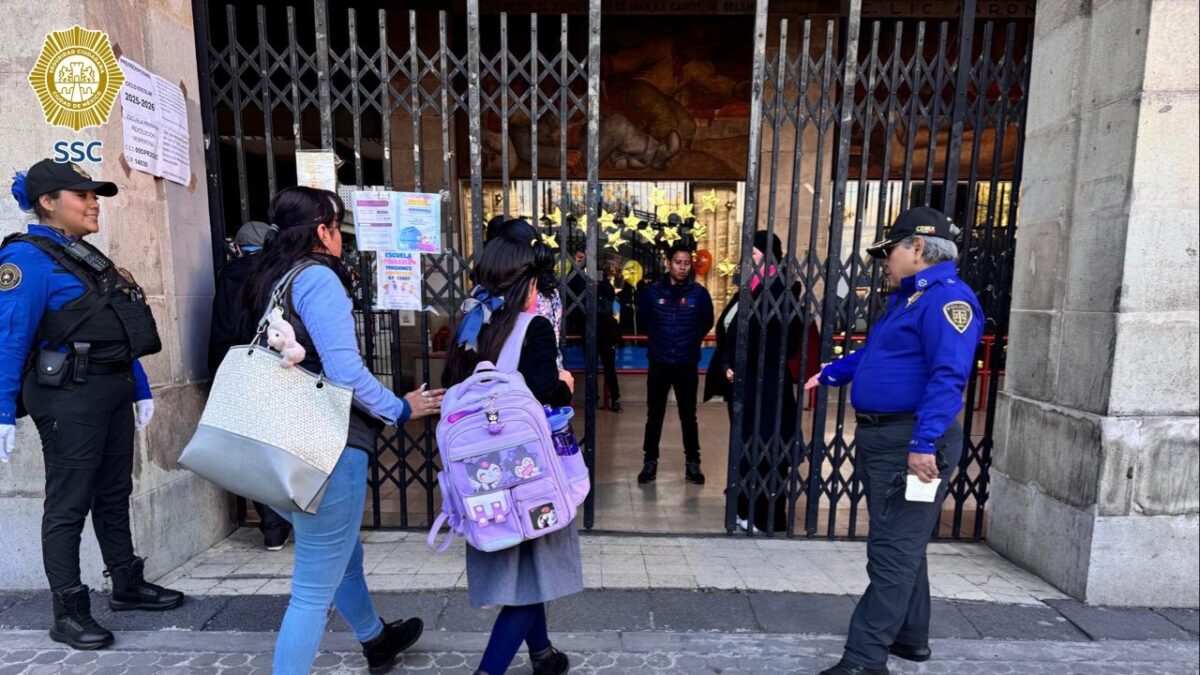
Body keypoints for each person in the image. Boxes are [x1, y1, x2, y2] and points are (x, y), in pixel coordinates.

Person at [243, 186, 444, 674]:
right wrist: (399, 407)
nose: (342, 239)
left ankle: (376, 639)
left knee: (340, 552)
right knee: (312, 587)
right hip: (323, 445)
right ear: (322, 231)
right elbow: (346, 372)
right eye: (338, 228)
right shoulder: (317, 279)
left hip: (275, 445)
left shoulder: (274, 278)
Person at [0, 159, 182, 651]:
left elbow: (117, 327)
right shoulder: (28, 258)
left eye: (94, 194)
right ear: (47, 202)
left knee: (112, 491)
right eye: (81, 195)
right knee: (69, 502)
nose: (93, 202)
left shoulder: (81, 253)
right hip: (68, 396)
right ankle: (69, 611)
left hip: (110, 387)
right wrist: (1, 410)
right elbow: (11, 336)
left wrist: (140, 387)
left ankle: (126, 584)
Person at [807, 207, 983, 675]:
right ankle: (911, 638)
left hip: (910, 441)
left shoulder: (948, 301)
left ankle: (864, 659)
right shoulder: (910, 299)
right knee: (905, 542)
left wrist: (924, 443)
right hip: (886, 439)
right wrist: (833, 372)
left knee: (892, 551)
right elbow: (881, 353)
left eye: (890, 251)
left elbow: (949, 376)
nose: (884, 260)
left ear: (918, 249)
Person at [444, 218, 579, 675]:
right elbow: (547, 391)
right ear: (528, 283)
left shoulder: (472, 326)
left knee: (525, 570)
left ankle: (542, 654)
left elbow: (455, 389)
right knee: (532, 575)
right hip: (529, 477)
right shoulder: (531, 326)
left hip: (482, 481)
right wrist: (564, 384)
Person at [207, 220, 293, 551]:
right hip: (283, 368)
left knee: (255, 451)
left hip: (242, 369)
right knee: (287, 445)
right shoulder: (284, 273)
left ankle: (272, 527)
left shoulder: (229, 276)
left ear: (240, 248)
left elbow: (221, 327)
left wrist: (216, 373)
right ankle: (302, 515)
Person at [704, 231, 799, 533]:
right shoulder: (747, 290)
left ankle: (764, 515)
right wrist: (728, 363)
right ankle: (743, 507)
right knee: (745, 446)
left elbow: (784, 343)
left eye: (754, 255)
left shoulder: (785, 292)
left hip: (767, 387)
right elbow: (730, 331)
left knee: (766, 447)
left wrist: (742, 364)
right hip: (742, 385)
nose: (748, 261)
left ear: (770, 257)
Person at [635, 242, 714, 485]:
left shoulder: (699, 294)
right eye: (678, 262)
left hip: (686, 364)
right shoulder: (652, 292)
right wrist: (660, 341)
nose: (682, 267)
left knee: (688, 415)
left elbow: (707, 321)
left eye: (686, 263)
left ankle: (693, 463)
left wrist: (690, 342)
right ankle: (650, 462)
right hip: (659, 363)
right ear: (668, 263)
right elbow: (644, 319)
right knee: (654, 414)